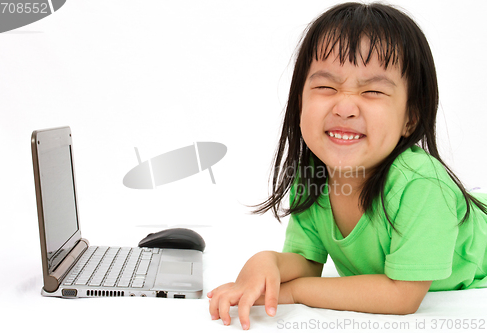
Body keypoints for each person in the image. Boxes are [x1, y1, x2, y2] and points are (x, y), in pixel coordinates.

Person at [207, 2, 487, 330]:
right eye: (326, 87)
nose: (344, 106)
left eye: (372, 91)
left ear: (410, 117)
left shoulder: (423, 185)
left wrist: (295, 292)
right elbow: (308, 262)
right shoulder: (313, 175)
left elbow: (402, 296)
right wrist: (265, 264)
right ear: (299, 101)